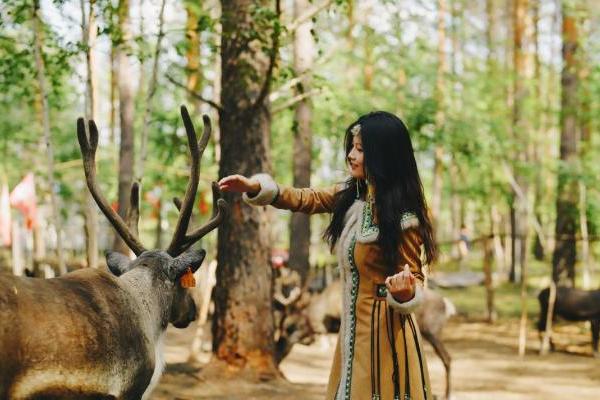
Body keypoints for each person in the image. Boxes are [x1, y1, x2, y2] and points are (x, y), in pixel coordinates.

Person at [218, 111, 437, 400]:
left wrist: (406, 292)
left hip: (385, 341)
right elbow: (306, 198)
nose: (351, 155)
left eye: (361, 149)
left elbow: (415, 279)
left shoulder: (404, 217)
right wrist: (257, 188)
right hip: (351, 335)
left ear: (383, 155)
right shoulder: (352, 196)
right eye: (351, 147)